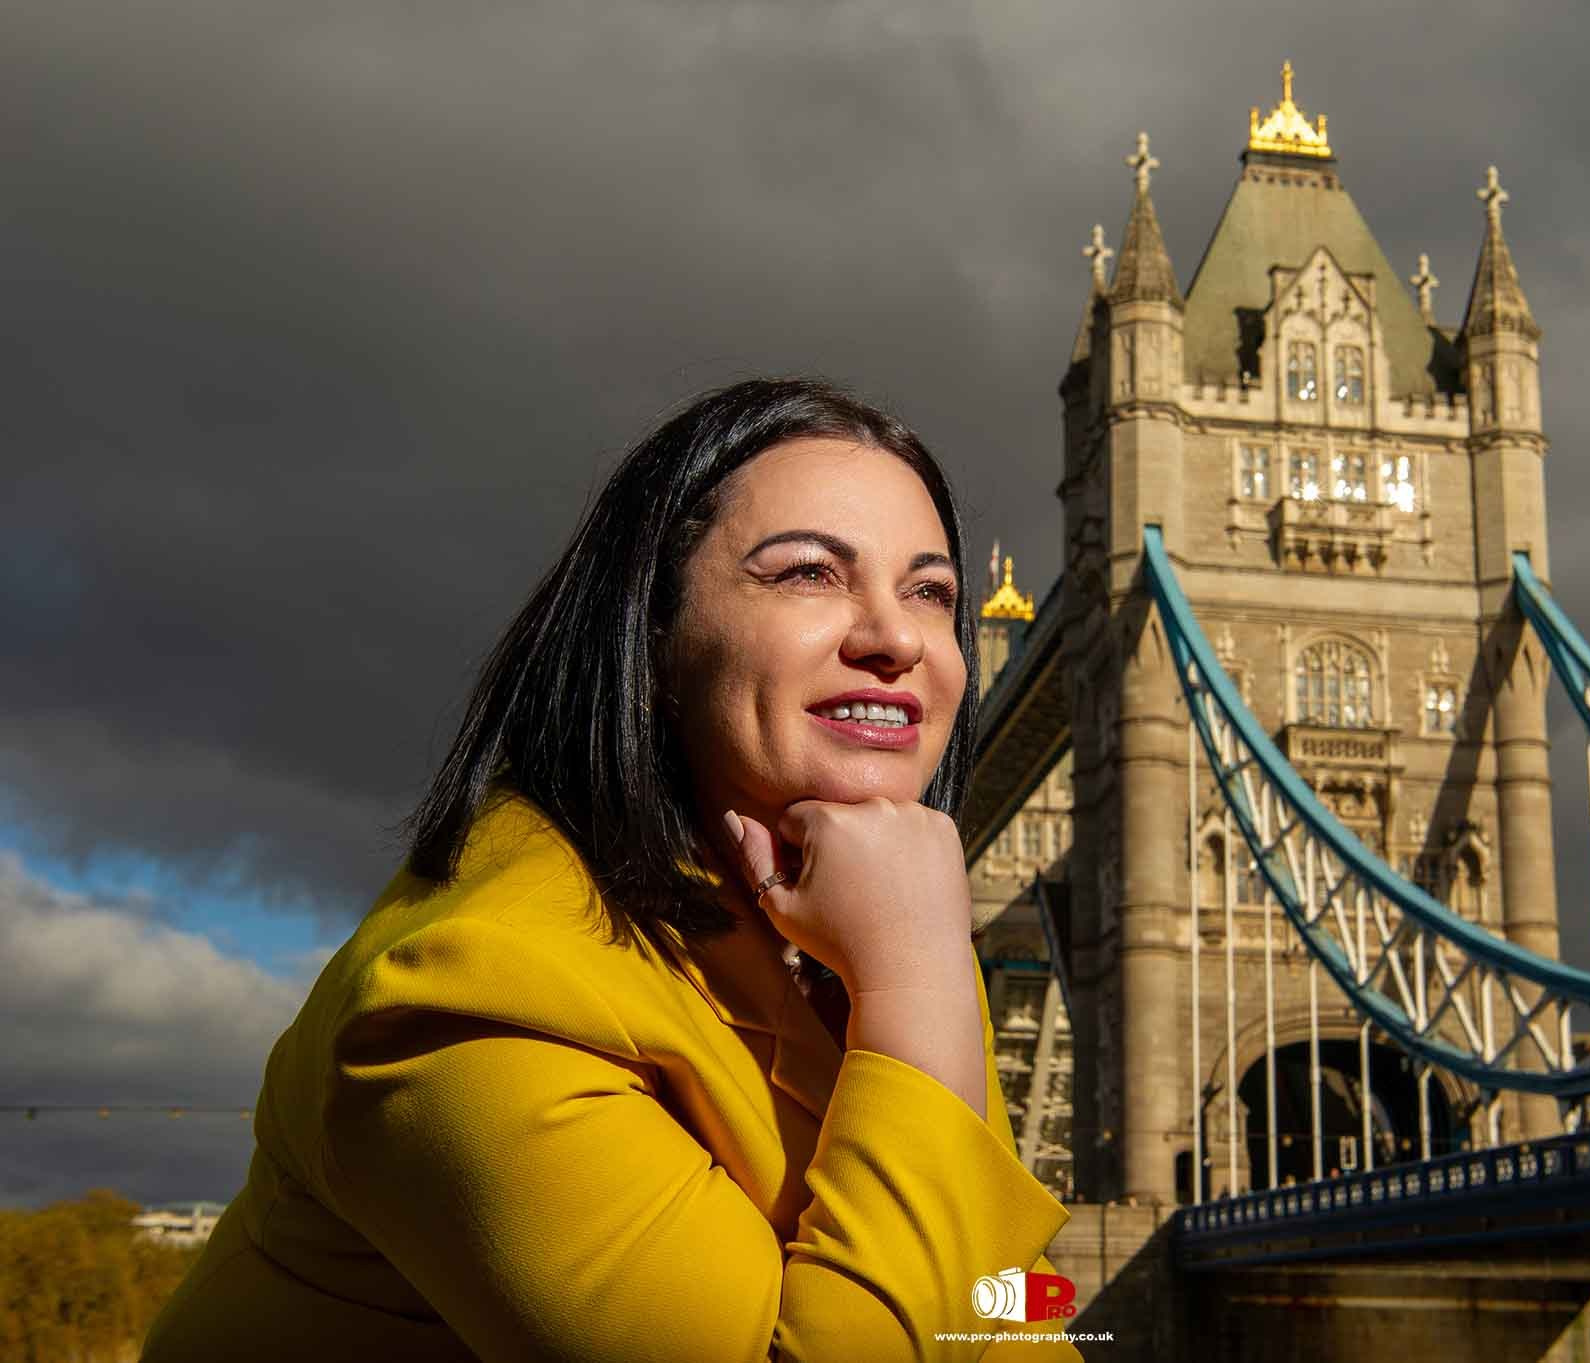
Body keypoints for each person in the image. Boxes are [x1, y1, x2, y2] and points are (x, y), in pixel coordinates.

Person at [142, 379, 1079, 1361]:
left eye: (929, 591)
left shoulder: (878, 925)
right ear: (656, 637)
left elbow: (1001, 1315)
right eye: (807, 573)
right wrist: (920, 976)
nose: (893, 637)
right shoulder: (480, 992)